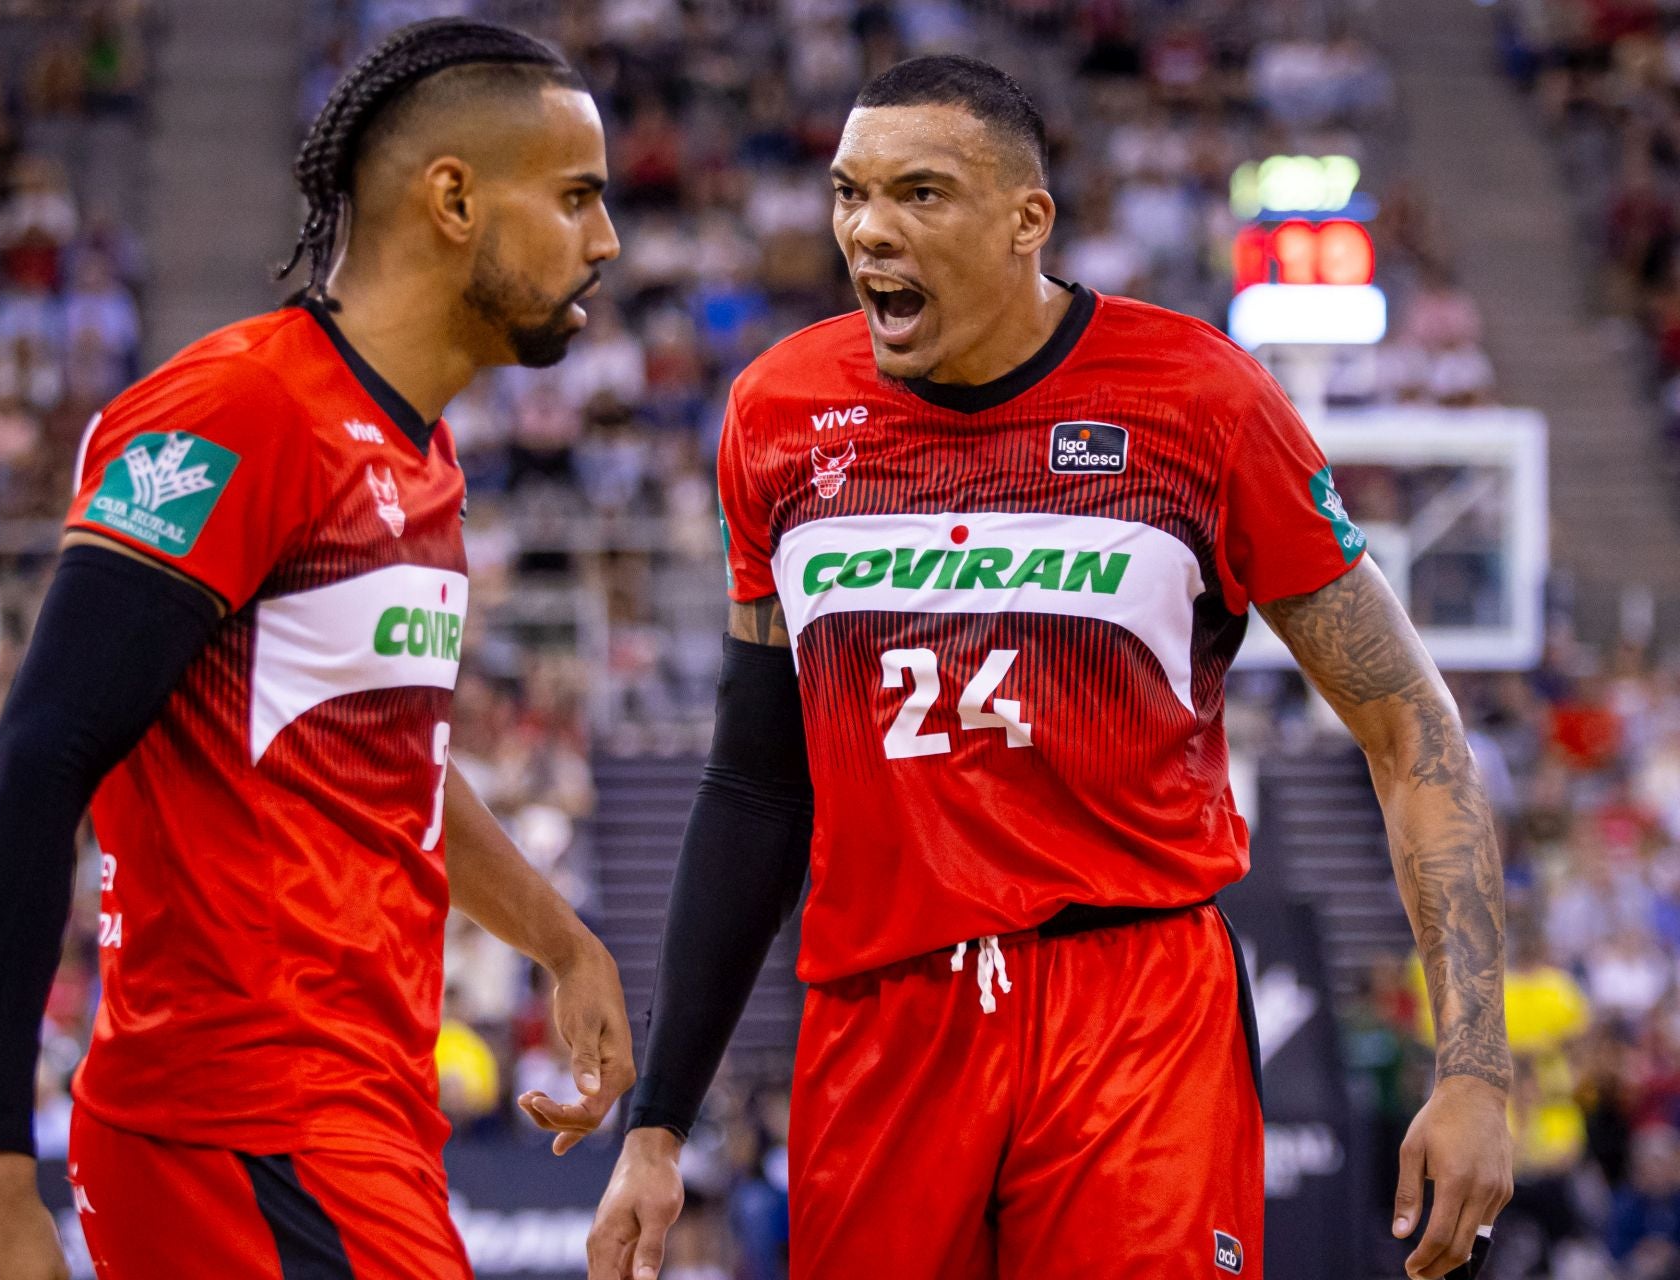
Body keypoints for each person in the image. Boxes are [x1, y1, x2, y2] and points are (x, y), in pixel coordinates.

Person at [590, 54, 1512, 1280]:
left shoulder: (1201, 402)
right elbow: (755, 783)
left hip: (1130, 1005)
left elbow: (1412, 726)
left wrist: (1478, 1064)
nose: (870, 231)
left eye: (920, 194)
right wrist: (658, 1119)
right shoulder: (776, 412)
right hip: (882, 1023)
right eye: (849, 193)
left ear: (1030, 219)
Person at [0, 19, 629, 1280]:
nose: (606, 241)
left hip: (355, 1119)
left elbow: (384, 757)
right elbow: (30, 763)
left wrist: (561, 938)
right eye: (576, 196)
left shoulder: (423, 454)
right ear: (455, 197)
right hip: (238, 1124)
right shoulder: (238, 408)